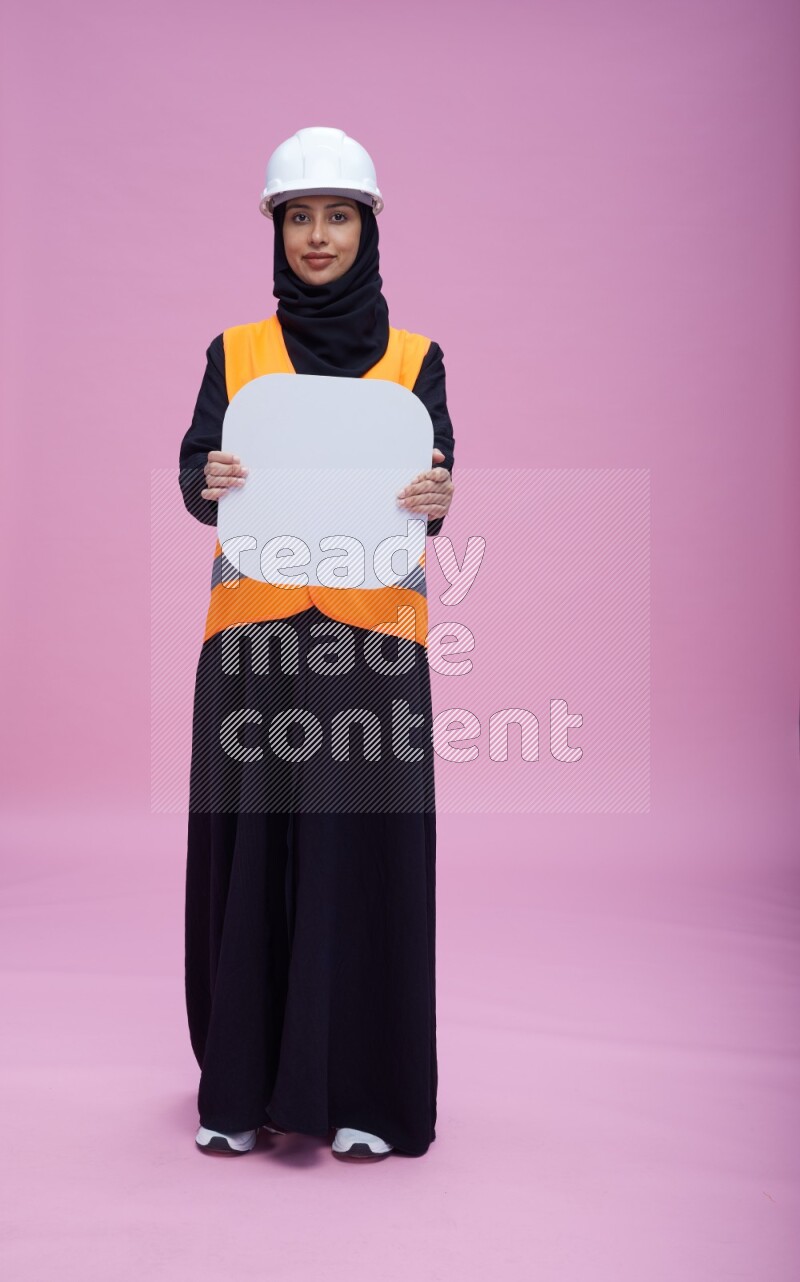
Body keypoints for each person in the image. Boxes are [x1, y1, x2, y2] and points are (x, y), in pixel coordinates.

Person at [178, 127, 455, 1161]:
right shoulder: (234, 353)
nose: (318, 234)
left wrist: (436, 493)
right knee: (250, 857)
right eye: (299, 216)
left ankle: (367, 1096)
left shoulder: (415, 360)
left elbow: (429, 492)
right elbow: (194, 475)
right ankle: (240, 1089)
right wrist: (205, 479)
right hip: (252, 641)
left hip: (370, 647)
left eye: (338, 214)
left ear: (367, 227)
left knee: (362, 859)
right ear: (277, 230)